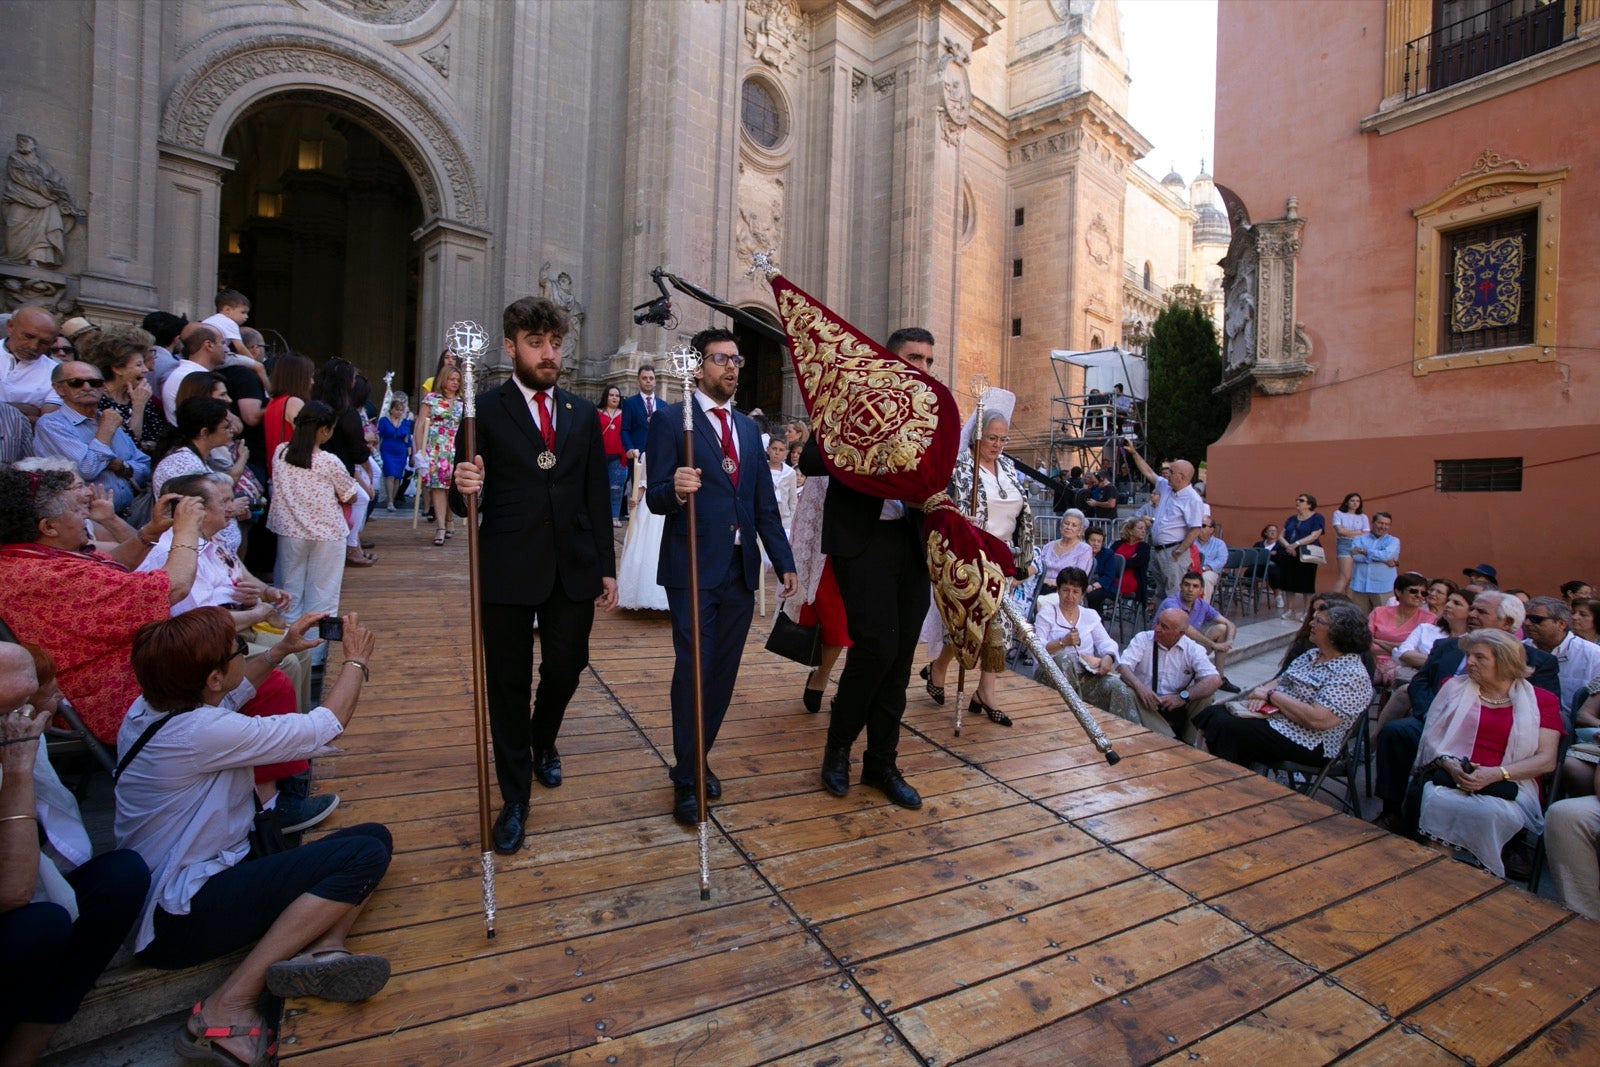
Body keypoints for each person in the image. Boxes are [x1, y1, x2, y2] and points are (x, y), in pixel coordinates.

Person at [115, 609, 393, 1067]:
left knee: (372, 838)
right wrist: (356, 661)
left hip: (193, 884)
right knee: (362, 856)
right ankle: (228, 1004)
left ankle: (321, 950)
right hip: (177, 916)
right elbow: (325, 725)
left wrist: (281, 649)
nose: (248, 653)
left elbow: (232, 695)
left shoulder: (156, 708)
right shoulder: (199, 733)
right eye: (240, 649)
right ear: (212, 677)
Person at [450, 297, 618, 852]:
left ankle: (542, 740)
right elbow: (461, 499)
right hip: (507, 565)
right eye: (536, 343)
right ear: (511, 345)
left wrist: (607, 568)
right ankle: (515, 795)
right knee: (507, 683)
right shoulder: (484, 410)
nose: (549, 355)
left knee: (568, 667)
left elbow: (596, 493)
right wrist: (462, 486)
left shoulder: (581, 413)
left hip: (572, 565)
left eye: (555, 343)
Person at [646, 328, 795, 825]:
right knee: (694, 667)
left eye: (737, 360)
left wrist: (785, 560)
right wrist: (675, 488)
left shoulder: (750, 432)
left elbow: (763, 505)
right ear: (698, 366)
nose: (731, 368)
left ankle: (694, 756)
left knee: (722, 673)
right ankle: (687, 780)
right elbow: (655, 496)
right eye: (720, 359)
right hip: (691, 565)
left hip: (739, 571)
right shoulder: (672, 421)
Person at [799, 326, 936, 810]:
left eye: (929, 361)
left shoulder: (932, 417)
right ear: (888, 359)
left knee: (900, 661)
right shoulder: (854, 401)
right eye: (914, 358)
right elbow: (811, 458)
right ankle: (838, 748)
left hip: (912, 543)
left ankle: (882, 763)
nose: (923, 368)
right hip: (864, 540)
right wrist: (871, 443)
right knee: (876, 647)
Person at [0, 644, 149, 1066]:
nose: (59, 697)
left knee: (121, 876)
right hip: (15, 907)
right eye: (47, 691)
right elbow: (11, 891)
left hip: (31, 896)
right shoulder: (18, 747)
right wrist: (15, 773)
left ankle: (25, 1046)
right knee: (41, 926)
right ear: (19, 711)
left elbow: (61, 854)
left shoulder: (22, 739)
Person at [0, 463, 202, 742]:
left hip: (92, 686)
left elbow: (110, 569)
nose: (86, 515)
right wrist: (187, 530)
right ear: (48, 527)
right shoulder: (48, 576)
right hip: (102, 698)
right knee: (219, 648)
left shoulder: (22, 558)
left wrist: (151, 532)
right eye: (75, 510)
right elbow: (174, 587)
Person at [1371, 591, 1559, 832]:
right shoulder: (1448, 646)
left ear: (1507, 623)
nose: (1472, 614)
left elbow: (1537, 720)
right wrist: (1438, 712)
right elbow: (1420, 682)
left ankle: (1512, 846)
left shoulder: (1537, 662)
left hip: (1505, 734)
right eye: (1472, 609)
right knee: (1397, 732)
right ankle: (1392, 811)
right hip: (1436, 717)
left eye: (1481, 611)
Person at [1411, 630, 1562, 877]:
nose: (1469, 662)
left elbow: (1546, 760)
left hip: (1511, 782)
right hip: (1452, 774)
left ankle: (1480, 879)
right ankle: (1436, 876)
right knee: (1438, 800)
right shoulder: (1453, 688)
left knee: (1490, 811)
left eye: (1480, 657)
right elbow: (1432, 740)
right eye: (1469, 655)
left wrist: (1496, 774)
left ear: (1504, 661)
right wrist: (1450, 766)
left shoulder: (1541, 700)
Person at [923, 402, 1035, 727]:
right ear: (977, 436)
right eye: (992, 438)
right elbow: (939, 507)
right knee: (968, 626)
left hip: (1004, 558)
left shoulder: (1010, 470)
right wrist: (960, 519)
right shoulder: (960, 469)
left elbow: (1024, 513)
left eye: (1003, 439)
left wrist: (1026, 558)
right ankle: (942, 669)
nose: (998, 445)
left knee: (995, 627)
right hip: (972, 557)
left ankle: (984, 691)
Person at [1198, 602, 1374, 768]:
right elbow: (1282, 679)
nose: (1311, 623)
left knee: (1228, 728)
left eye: (1318, 621)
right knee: (1214, 713)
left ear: (1338, 632)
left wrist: (1271, 697)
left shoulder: (1351, 674)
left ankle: (1220, 782)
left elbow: (1316, 719)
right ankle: (1218, 777)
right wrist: (1263, 691)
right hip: (1278, 720)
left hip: (1308, 741)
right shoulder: (1313, 654)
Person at [267, 402, 356, 666]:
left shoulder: (280, 453)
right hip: (327, 533)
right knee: (323, 594)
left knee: (289, 592)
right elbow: (349, 494)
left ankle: (287, 651)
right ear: (324, 430)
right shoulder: (329, 461)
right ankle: (315, 656)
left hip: (290, 530)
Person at [32, 360, 151, 516]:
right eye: (76, 383)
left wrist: (121, 466)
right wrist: (106, 431)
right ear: (59, 389)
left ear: (102, 387)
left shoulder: (108, 418)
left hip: (131, 513)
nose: (87, 387)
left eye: (95, 382)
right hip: (86, 520)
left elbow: (144, 466)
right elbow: (87, 469)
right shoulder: (51, 424)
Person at [786, 439, 849, 712]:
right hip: (833, 537)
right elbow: (810, 463)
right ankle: (822, 674)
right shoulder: (831, 419)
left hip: (881, 537)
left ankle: (852, 688)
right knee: (837, 620)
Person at [1035, 567, 1136, 723]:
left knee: (1118, 688)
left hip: (1084, 675)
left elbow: (1105, 642)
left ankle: (1127, 732)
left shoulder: (1090, 615)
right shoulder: (1047, 613)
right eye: (1065, 590)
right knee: (1063, 659)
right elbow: (1036, 646)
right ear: (1058, 591)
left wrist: (1108, 658)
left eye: (1075, 592)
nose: (1070, 596)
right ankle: (1077, 719)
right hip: (1053, 676)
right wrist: (1063, 642)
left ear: (1082, 595)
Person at [152, 396, 248, 555]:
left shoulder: (199, 458)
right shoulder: (181, 464)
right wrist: (231, 509)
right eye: (226, 427)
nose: (232, 430)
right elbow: (189, 511)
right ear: (204, 432)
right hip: (194, 554)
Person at [1117, 607, 1224, 741]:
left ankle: (1190, 740)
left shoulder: (1192, 649)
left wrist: (1182, 697)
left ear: (1180, 634)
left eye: (1164, 627)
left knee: (1207, 696)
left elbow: (1215, 679)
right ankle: (1170, 739)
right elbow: (1123, 667)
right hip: (1146, 701)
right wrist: (1140, 687)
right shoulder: (1143, 639)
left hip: (1177, 704)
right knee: (1128, 690)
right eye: (1157, 622)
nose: (1157, 629)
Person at [1121, 443, 1203, 606]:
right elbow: (1148, 472)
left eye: (1171, 472)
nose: (1167, 475)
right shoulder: (1166, 487)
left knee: (1174, 593)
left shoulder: (1192, 499)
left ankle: (1175, 627)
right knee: (1160, 592)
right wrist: (1134, 453)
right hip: (1158, 550)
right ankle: (1160, 626)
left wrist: (1179, 551)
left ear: (1182, 477)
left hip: (1173, 551)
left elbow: (1195, 529)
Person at [1379, 587, 1473, 727]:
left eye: (1457, 603)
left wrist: (1424, 660)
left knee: (1405, 691)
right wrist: (1436, 661)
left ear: (1470, 612)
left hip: (1439, 685)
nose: (1448, 605)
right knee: (1404, 690)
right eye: (1448, 601)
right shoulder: (1426, 629)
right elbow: (1401, 653)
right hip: (1414, 677)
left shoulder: (1470, 640)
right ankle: (1375, 741)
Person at [1522, 596, 1600, 727]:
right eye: (1526, 618)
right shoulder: (1517, 650)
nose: (1528, 623)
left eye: (1536, 619)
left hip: (1571, 731)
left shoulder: (1593, 655)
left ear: (1561, 624)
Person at [88, 325, 167, 454]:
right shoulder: (98, 401)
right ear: (117, 368)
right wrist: (138, 406)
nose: (145, 370)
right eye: (138, 365)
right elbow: (127, 446)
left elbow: (159, 438)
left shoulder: (140, 395)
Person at [1156, 571, 1240, 692]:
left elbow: (1229, 624)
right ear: (1180, 586)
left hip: (1187, 647)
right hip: (1165, 648)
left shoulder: (1201, 604)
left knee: (1223, 629)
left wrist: (1228, 642)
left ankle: (1219, 678)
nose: (1190, 589)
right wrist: (1214, 645)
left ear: (1201, 590)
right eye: (1187, 585)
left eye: (1195, 586)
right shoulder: (1171, 603)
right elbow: (1186, 629)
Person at [415, 364, 463, 546]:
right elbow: (420, 425)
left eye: (458, 380)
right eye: (452, 379)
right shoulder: (431, 399)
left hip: (456, 448)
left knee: (453, 487)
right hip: (436, 448)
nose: (455, 383)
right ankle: (441, 526)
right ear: (443, 379)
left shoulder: (462, 402)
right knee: (437, 486)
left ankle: (450, 519)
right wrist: (420, 451)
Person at [1365, 570, 1435, 685]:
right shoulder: (1379, 612)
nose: (1419, 596)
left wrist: (1377, 642)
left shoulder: (1430, 619)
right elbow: (1364, 641)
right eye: (1414, 591)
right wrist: (1400, 648)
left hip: (1404, 666)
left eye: (1423, 593)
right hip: (1372, 662)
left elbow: (1419, 650)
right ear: (1398, 592)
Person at [0, 306, 61, 420]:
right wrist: (22, 412)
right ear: (10, 326)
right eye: (28, 336)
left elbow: (47, 424)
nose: (33, 346)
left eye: (44, 342)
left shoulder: (57, 372)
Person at [1272, 492, 1325, 621]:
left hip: (1306, 554)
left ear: (1309, 504)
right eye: (1297, 500)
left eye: (1301, 500)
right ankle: (1290, 610)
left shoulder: (1317, 517)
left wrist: (1296, 544)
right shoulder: (1291, 518)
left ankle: (1307, 611)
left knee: (1307, 584)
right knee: (1289, 583)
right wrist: (1289, 546)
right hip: (1290, 553)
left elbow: (1314, 535)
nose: (1298, 502)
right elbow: (1281, 536)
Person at [161, 323, 226, 420]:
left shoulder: (190, 373)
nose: (226, 349)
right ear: (209, 345)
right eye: (222, 343)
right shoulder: (188, 377)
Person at [1345, 510, 1401, 614]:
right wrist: (1383, 560)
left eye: (1387, 524)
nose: (1383, 526)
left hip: (1383, 587)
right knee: (1360, 619)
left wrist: (1364, 551)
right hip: (1360, 586)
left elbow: (1387, 555)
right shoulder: (1359, 539)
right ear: (1373, 523)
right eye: (1380, 523)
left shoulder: (1394, 541)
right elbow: (1356, 557)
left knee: (1384, 620)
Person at [263, 352, 313, 462]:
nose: (312, 382)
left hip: (278, 471)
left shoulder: (273, 402)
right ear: (299, 378)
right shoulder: (294, 402)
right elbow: (307, 442)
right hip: (292, 469)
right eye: (309, 377)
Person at [1037, 508, 1092, 597]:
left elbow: (1078, 578)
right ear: (1061, 526)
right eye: (1066, 523)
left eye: (1074, 525)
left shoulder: (1085, 550)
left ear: (1080, 531)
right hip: (1040, 587)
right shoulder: (1048, 546)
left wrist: (1053, 582)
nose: (1069, 527)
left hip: (1065, 591)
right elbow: (1038, 568)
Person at [620, 363, 660, 472]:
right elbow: (625, 429)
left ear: (655, 382)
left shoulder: (663, 405)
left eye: (651, 378)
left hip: (658, 457)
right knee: (638, 489)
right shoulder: (630, 403)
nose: (648, 381)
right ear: (638, 381)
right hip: (637, 457)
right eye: (644, 378)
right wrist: (629, 448)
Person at [376, 393, 413, 511]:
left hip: (400, 451)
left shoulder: (405, 422)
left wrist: (409, 451)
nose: (399, 412)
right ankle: (390, 501)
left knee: (398, 476)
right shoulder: (384, 421)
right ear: (391, 410)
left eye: (401, 410)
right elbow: (380, 434)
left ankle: (393, 498)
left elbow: (406, 437)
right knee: (390, 474)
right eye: (397, 410)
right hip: (387, 449)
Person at [597, 384, 627, 527]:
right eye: (611, 395)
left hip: (618, 456)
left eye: (617, 395)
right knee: (599, 487)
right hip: (600, 456)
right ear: (606, 397)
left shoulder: (625, 414)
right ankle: (599, 515)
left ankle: (614, 516)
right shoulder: (598, 413)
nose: (614, 397)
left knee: (616, 488)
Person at [1330, 492, 1369, 596]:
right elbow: (1340, 531)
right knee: (1344, 576)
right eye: (1352, 500)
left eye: (1357, 501)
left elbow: (1366, 533)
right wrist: (1359, 532)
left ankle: (1349, 603)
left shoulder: (1363, 516)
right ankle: (1331, 601)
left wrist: (1349, 532)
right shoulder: (1338, 513)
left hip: (1359, 545)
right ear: (1347, 502)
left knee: (1353, 578)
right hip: (1344, 544)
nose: (1355, 503)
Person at [199, 289, 252, 359]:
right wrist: (254, 363)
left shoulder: (210, 319)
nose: (246, 316)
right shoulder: (230, 323)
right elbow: (241, 348)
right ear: (227, 310)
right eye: (243, 312)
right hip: (214, 356)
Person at [1082, 526, 1118, 612]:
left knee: (1093, 596)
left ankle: (1096, 622)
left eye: (1099, 541)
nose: (1096, 543)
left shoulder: (1108, 554)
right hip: (1085, 584)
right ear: (1086, 541)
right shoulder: (1082, 552)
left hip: (1104, 586)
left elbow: (1109, 576)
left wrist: (1092, 587)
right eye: (1093, 540)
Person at [766, 437, 797, 536]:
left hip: (784, 521)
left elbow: (793, 500)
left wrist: (792, 521)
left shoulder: (790, 473)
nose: (777, 452)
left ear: (786, 453)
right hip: (764, 518)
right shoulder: (761, 469)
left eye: (781, 450)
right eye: (774, 449)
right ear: (768, 449)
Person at [1193, 517, 1228, 602]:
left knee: (1205, 578)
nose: (1199, 528)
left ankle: (1202, 609)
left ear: (1211, 529)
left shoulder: (1219, 544)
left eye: (1203, 525)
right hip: (1191, 570)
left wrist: (1205, 568)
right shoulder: (1191, 541)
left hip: (1210, 571)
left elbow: (1221, 560)